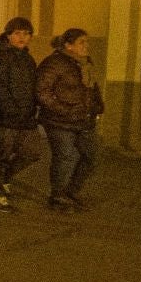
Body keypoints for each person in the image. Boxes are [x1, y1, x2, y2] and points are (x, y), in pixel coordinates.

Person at [36, 28, 104, 212]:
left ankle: (71, 191)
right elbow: (43, 91)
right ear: (68, 45)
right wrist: (63, 109)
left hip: (83, 120)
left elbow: (91, 88)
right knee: (65, 157)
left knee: (92, 155)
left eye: (87, 42)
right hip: (59, 121)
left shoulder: (85, 63)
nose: (86, 46)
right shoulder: (54, 63)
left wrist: (97, 106)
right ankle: (57, 196)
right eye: (82, 42)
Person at [0, 16, 46, 211]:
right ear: (9, 35)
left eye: (27, 33)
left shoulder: (27, 58)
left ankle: (4, 179)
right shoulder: (0, 57)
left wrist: (34, 107)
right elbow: (0, 87)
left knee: (32, 152)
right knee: (0, 156)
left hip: (26, 117)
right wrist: (9, 110)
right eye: (18, 33)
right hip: (6, 118)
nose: (22, 37)